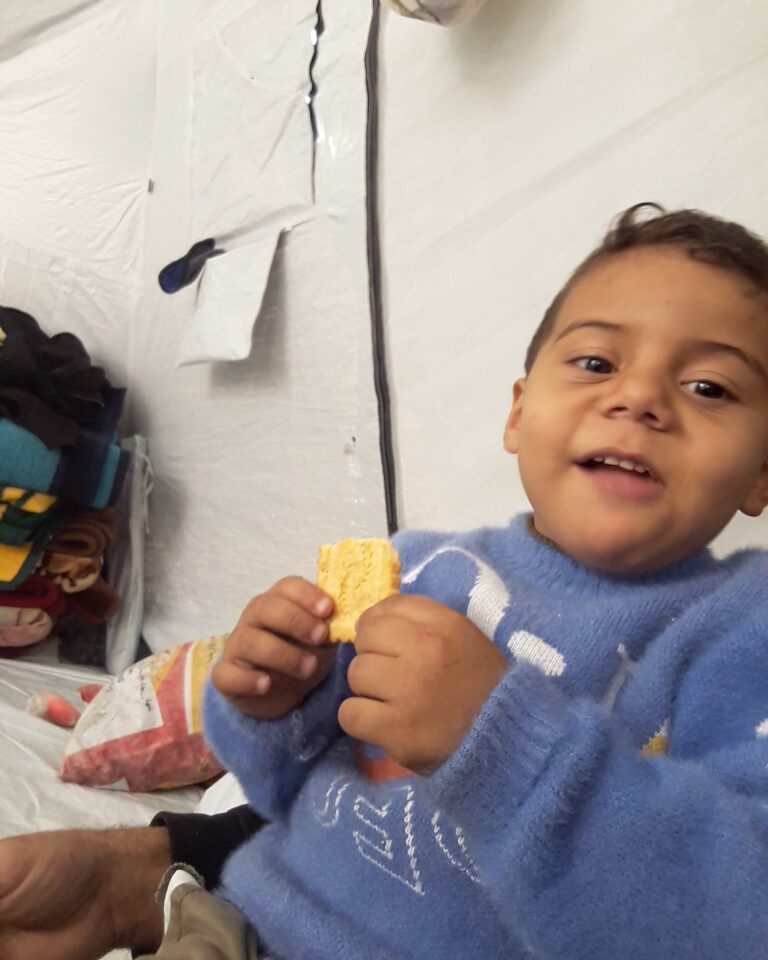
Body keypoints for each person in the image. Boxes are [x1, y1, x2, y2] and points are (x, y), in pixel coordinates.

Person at [2, 202, 768, 959]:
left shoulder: (739, 633)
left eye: (709, 387)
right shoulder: (427, 566)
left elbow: (734, 920)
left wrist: (496, 745)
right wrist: (269, 707)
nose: (638, 400)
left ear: (760, 471)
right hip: (239, 922)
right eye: (596, 362)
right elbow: (282, 788)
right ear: (518, 411)